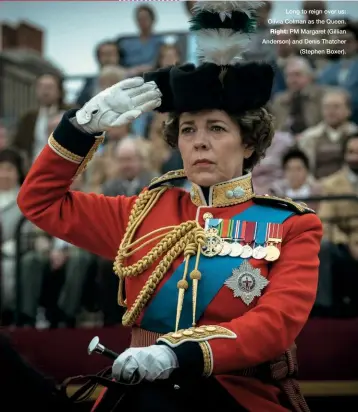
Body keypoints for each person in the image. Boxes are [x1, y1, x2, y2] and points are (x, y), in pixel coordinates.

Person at [17, 2, 322, 412]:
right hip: (135, 391)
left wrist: (178, 355)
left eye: (216, 128)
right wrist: (82, 126)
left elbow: (275, 326)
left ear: (249, 142)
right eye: (188, 129)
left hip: (233, 394)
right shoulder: (142, 213)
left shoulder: (291, 226)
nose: (198, 141)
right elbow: (39, 201)